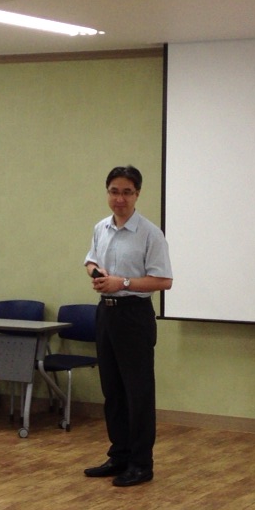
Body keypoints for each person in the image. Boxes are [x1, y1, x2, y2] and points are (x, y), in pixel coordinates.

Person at [82, 166, 173, 488]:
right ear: (107, 192)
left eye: (126, 192)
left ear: (137, 195)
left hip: (134, 315)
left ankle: (141, 463)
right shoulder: (101, 228)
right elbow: (90, 261)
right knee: (113, 391)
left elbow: (163, 280)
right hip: (106, 314)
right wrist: (97, 274)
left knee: (138, 392)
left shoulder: (150, 233)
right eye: (114, 191)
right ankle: (118, 455)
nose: (119, 199)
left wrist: (121, 282)